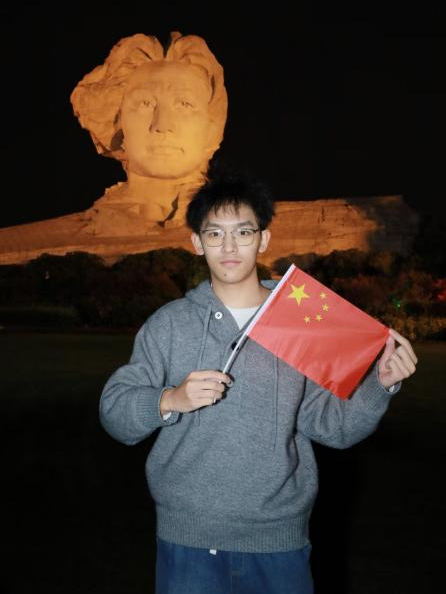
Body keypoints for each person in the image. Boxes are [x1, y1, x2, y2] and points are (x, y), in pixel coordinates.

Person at [99, 171, 418, 594]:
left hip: (278, 544)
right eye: (215, 234)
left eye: (243, 232)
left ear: (263, 239)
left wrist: (379, 384)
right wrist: (170, 399)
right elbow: (115, 413)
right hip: (188, 542)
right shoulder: (169, 325)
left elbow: (334, 427)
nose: (229, 247)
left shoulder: (299, 321)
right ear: (196, 243)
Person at [71, 31, 228, 229]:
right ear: (118, 122)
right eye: (145, 104)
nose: (162, 125)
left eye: (184, 104)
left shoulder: (258, 234)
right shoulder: (44, 238)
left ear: (212, 125)